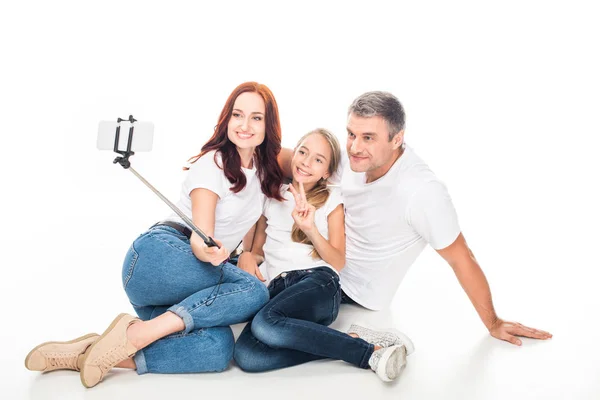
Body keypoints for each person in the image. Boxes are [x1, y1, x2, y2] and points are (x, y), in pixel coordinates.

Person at [24, 81, 285, 388]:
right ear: (226, 119)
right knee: (254, 291)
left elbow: (309, 160)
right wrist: (209, 250)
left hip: (176, 294)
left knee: (217, 347)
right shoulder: (212, 165)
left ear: (268, 125)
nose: (245, 125)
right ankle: (134, 334)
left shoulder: (265, 166)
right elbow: (201, 236)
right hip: (159, 258)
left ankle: (90, 351)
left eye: (256, 117)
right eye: (238, 115)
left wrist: (251, 252)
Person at [275, 91, 552, 346]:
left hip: (351, 291)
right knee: (243, 267)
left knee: (260, 328)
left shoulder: (422, 192)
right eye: (351, 134)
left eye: (368, 137)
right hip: (318, 262)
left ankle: (363, 344)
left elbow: (461, 257)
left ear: (397, 139)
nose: (355, 147)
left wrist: (493, 322)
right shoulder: (356, 159)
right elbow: (291, 160)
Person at [233, 128, 415, 382]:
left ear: (327, 172)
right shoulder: (273, 195)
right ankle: (349, 342)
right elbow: (259, 249)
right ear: (294, 153)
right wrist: (249, 255)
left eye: (318, 159)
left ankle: (368, 354)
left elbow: (338, 261)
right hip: (276, 288)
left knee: (264, 324)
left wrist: (311, 229)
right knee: (248, 356)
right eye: (303, 152)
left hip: (317, 283)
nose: (306, 163)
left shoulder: (332, 198)